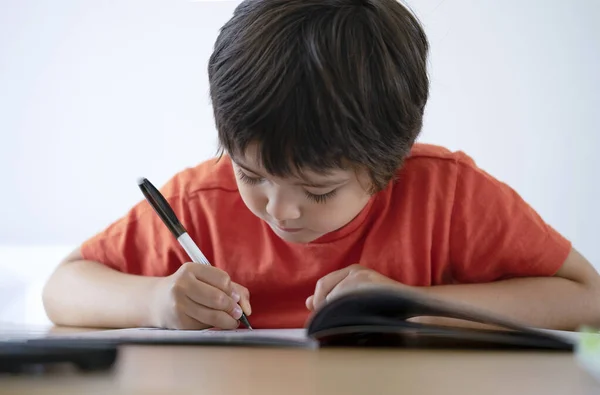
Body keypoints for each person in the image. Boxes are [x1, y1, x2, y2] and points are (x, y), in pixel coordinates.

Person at [43, 0, 600, 332]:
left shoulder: (448, 197)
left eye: (318, 190)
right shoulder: (201, 204)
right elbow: (62, 287)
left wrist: (410, 305)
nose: (279, 210)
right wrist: (158, 302)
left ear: (389, 161)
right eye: (252, 174)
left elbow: (587, 299)